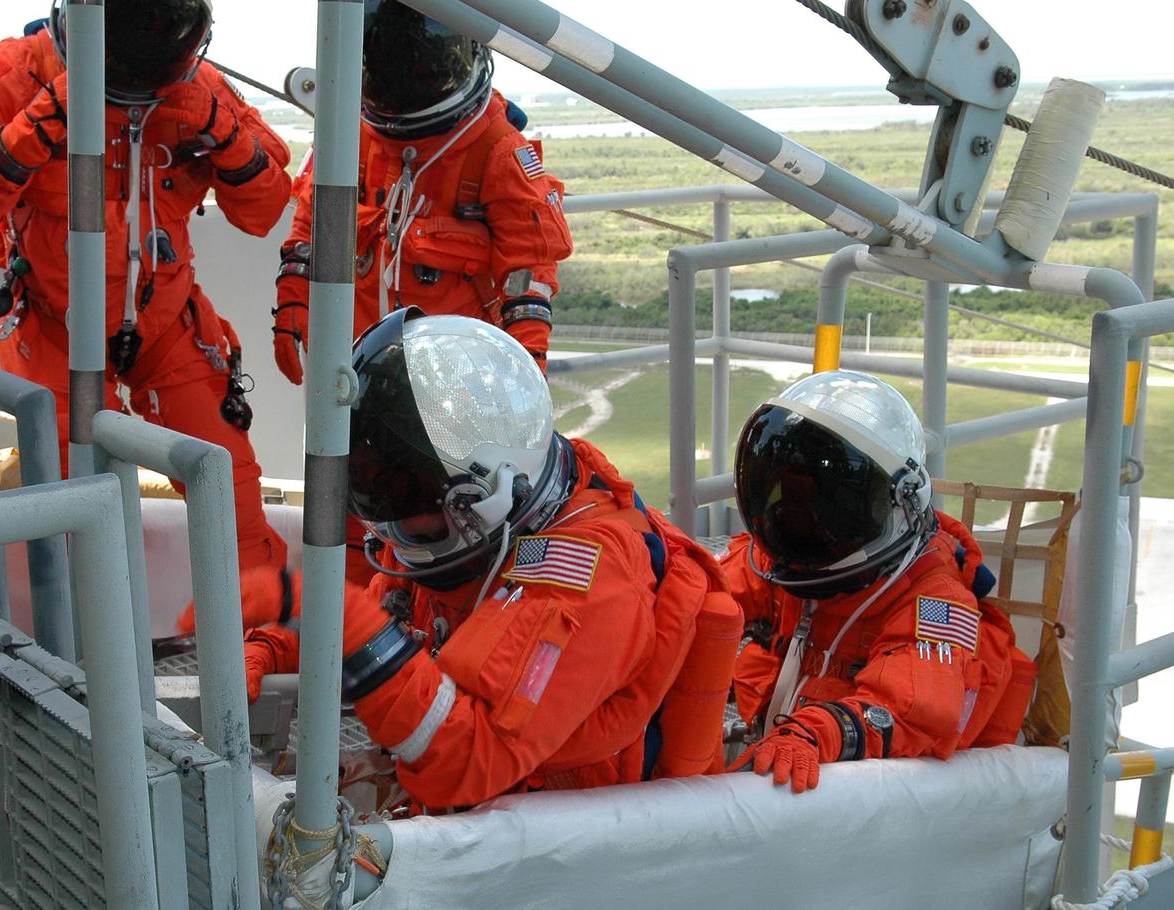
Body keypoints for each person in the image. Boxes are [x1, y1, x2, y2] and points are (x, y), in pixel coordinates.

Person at [243, 311, 742, 811]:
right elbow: (388, 613)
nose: (394, 533)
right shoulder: (455, 534)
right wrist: (274, 644)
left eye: (404, 505)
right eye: (379, 503)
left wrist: (353, 629)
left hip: (578, 858)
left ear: (483, 499)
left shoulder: (587, 575)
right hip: (494, 829)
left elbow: (462, 759)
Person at [0, 0, 289, 572]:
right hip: (53, 326)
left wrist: (222, 130)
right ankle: (76, 650)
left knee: (228, 490)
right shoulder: (15, 73)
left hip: (168, 322)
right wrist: (43, 119)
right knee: (66, 517)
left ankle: (257, 642)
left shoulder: (203, 86)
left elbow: (265, 208)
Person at [722, 370, 1035, 793]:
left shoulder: (937, 601)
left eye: (823, 506)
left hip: (883, 803)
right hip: (789, 761)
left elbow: (913, 708)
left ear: (893, 504)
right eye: (790, 499)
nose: (802, 519)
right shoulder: (788, 557)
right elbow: (709, 594)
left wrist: (816, 732)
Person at [271, 0, 573, 381]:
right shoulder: (352, 135)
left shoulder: (493, 149)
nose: (404, 84)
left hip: (456, 378)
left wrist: (526, 366)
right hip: (356, 369)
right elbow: (315, 223)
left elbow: (528, 269)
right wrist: (295, 291)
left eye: (418, 66)